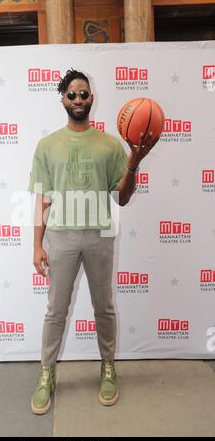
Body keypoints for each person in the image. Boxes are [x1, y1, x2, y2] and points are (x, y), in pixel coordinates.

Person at [28, 69, 157, 415]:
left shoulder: (110, 145)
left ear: (92, 98)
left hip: (100, 236)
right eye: (72, 95)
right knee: (56, 310)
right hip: (60, 237)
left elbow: (123, 198)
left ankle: (108, 367)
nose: (79, 100)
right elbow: (42, 198)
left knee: (104, 307)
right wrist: (37, 245)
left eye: (84, 94)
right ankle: (47, 372)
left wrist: (134, 163)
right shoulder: (47, 146)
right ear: (63, 99)